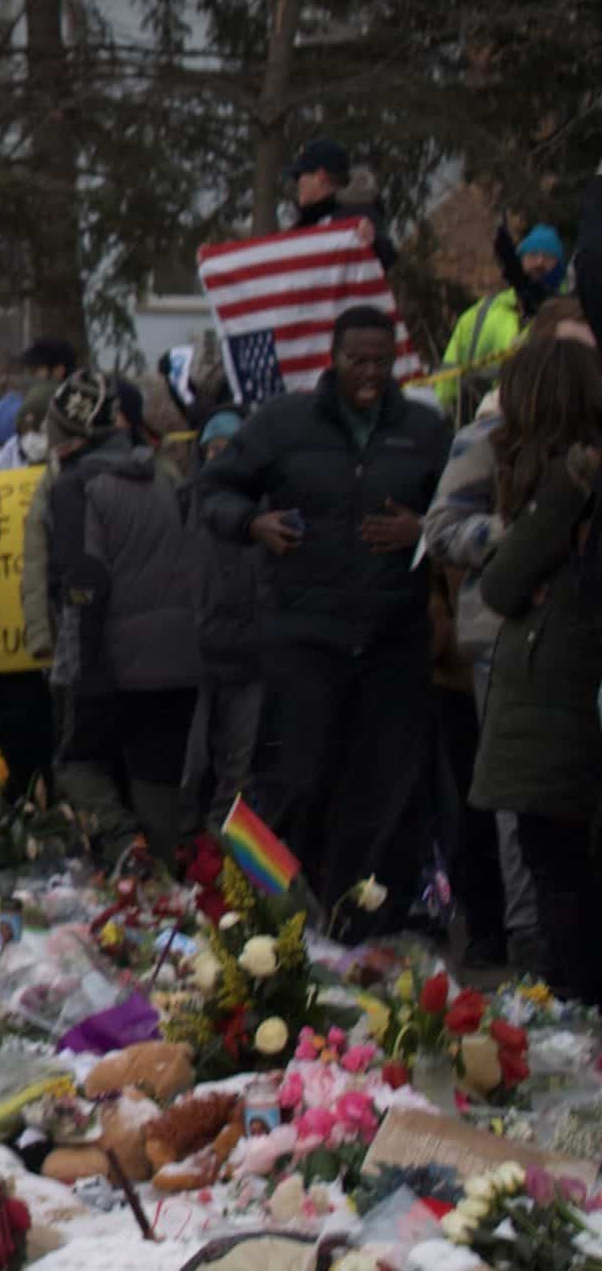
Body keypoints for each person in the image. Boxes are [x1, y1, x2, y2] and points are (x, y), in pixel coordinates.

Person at [200, 304, 450, 924]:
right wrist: (252, 523)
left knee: (381, 792)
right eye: (356, 361)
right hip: (303, 639)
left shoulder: (422, 430)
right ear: (332, 360)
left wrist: (423, 529)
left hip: (393, 641)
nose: (369, 374)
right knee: (291, 781)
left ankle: (360, 926)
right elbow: (212, 490)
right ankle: (256, 912)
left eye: (381, 362)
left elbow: (460, 511)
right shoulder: (283, 422)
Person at [421, 294, 594, 971]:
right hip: (507, 644)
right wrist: (513, 536)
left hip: (566, 653)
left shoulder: (579, 462)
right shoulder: (490, 440)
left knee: (558, 840)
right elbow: (446, 530)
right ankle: (529, 952)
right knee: (528, 820)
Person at [469, 334, 602, 1004]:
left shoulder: (567, 481)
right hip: (555, 714)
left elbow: (498, 585)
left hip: (561, 716)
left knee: (563, 886)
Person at [39, 369, 203, 867]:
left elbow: (82, 581)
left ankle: (126, 854)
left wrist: (76, 670)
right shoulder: (161, 476)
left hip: (111, 656)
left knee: (77, 764)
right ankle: (173, 900)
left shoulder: (75, 488)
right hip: (180, 660)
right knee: (158, 785)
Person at [181, 408, 263, 834]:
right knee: (191, 767)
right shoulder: (183, 502)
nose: (220, 457)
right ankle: (189, 854)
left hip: (250, 655)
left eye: (229, 448)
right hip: (194, 655)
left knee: (240, 769)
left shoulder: (264, 507)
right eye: (213, 449)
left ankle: (225, 861)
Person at [440, 223, 566, 417]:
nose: (539, 262)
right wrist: (441, 413)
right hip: (477, 422)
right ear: (519, 260)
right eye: (532, 255)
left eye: (549, 257)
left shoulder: (568, 315)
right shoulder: (481, 313)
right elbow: (449, 370)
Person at [286, 137, 397, 269]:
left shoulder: (359, 215)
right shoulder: (302, 224)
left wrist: (372, 241)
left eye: (299, 176)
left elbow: (386, 256)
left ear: (320, 176)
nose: (297, 183)